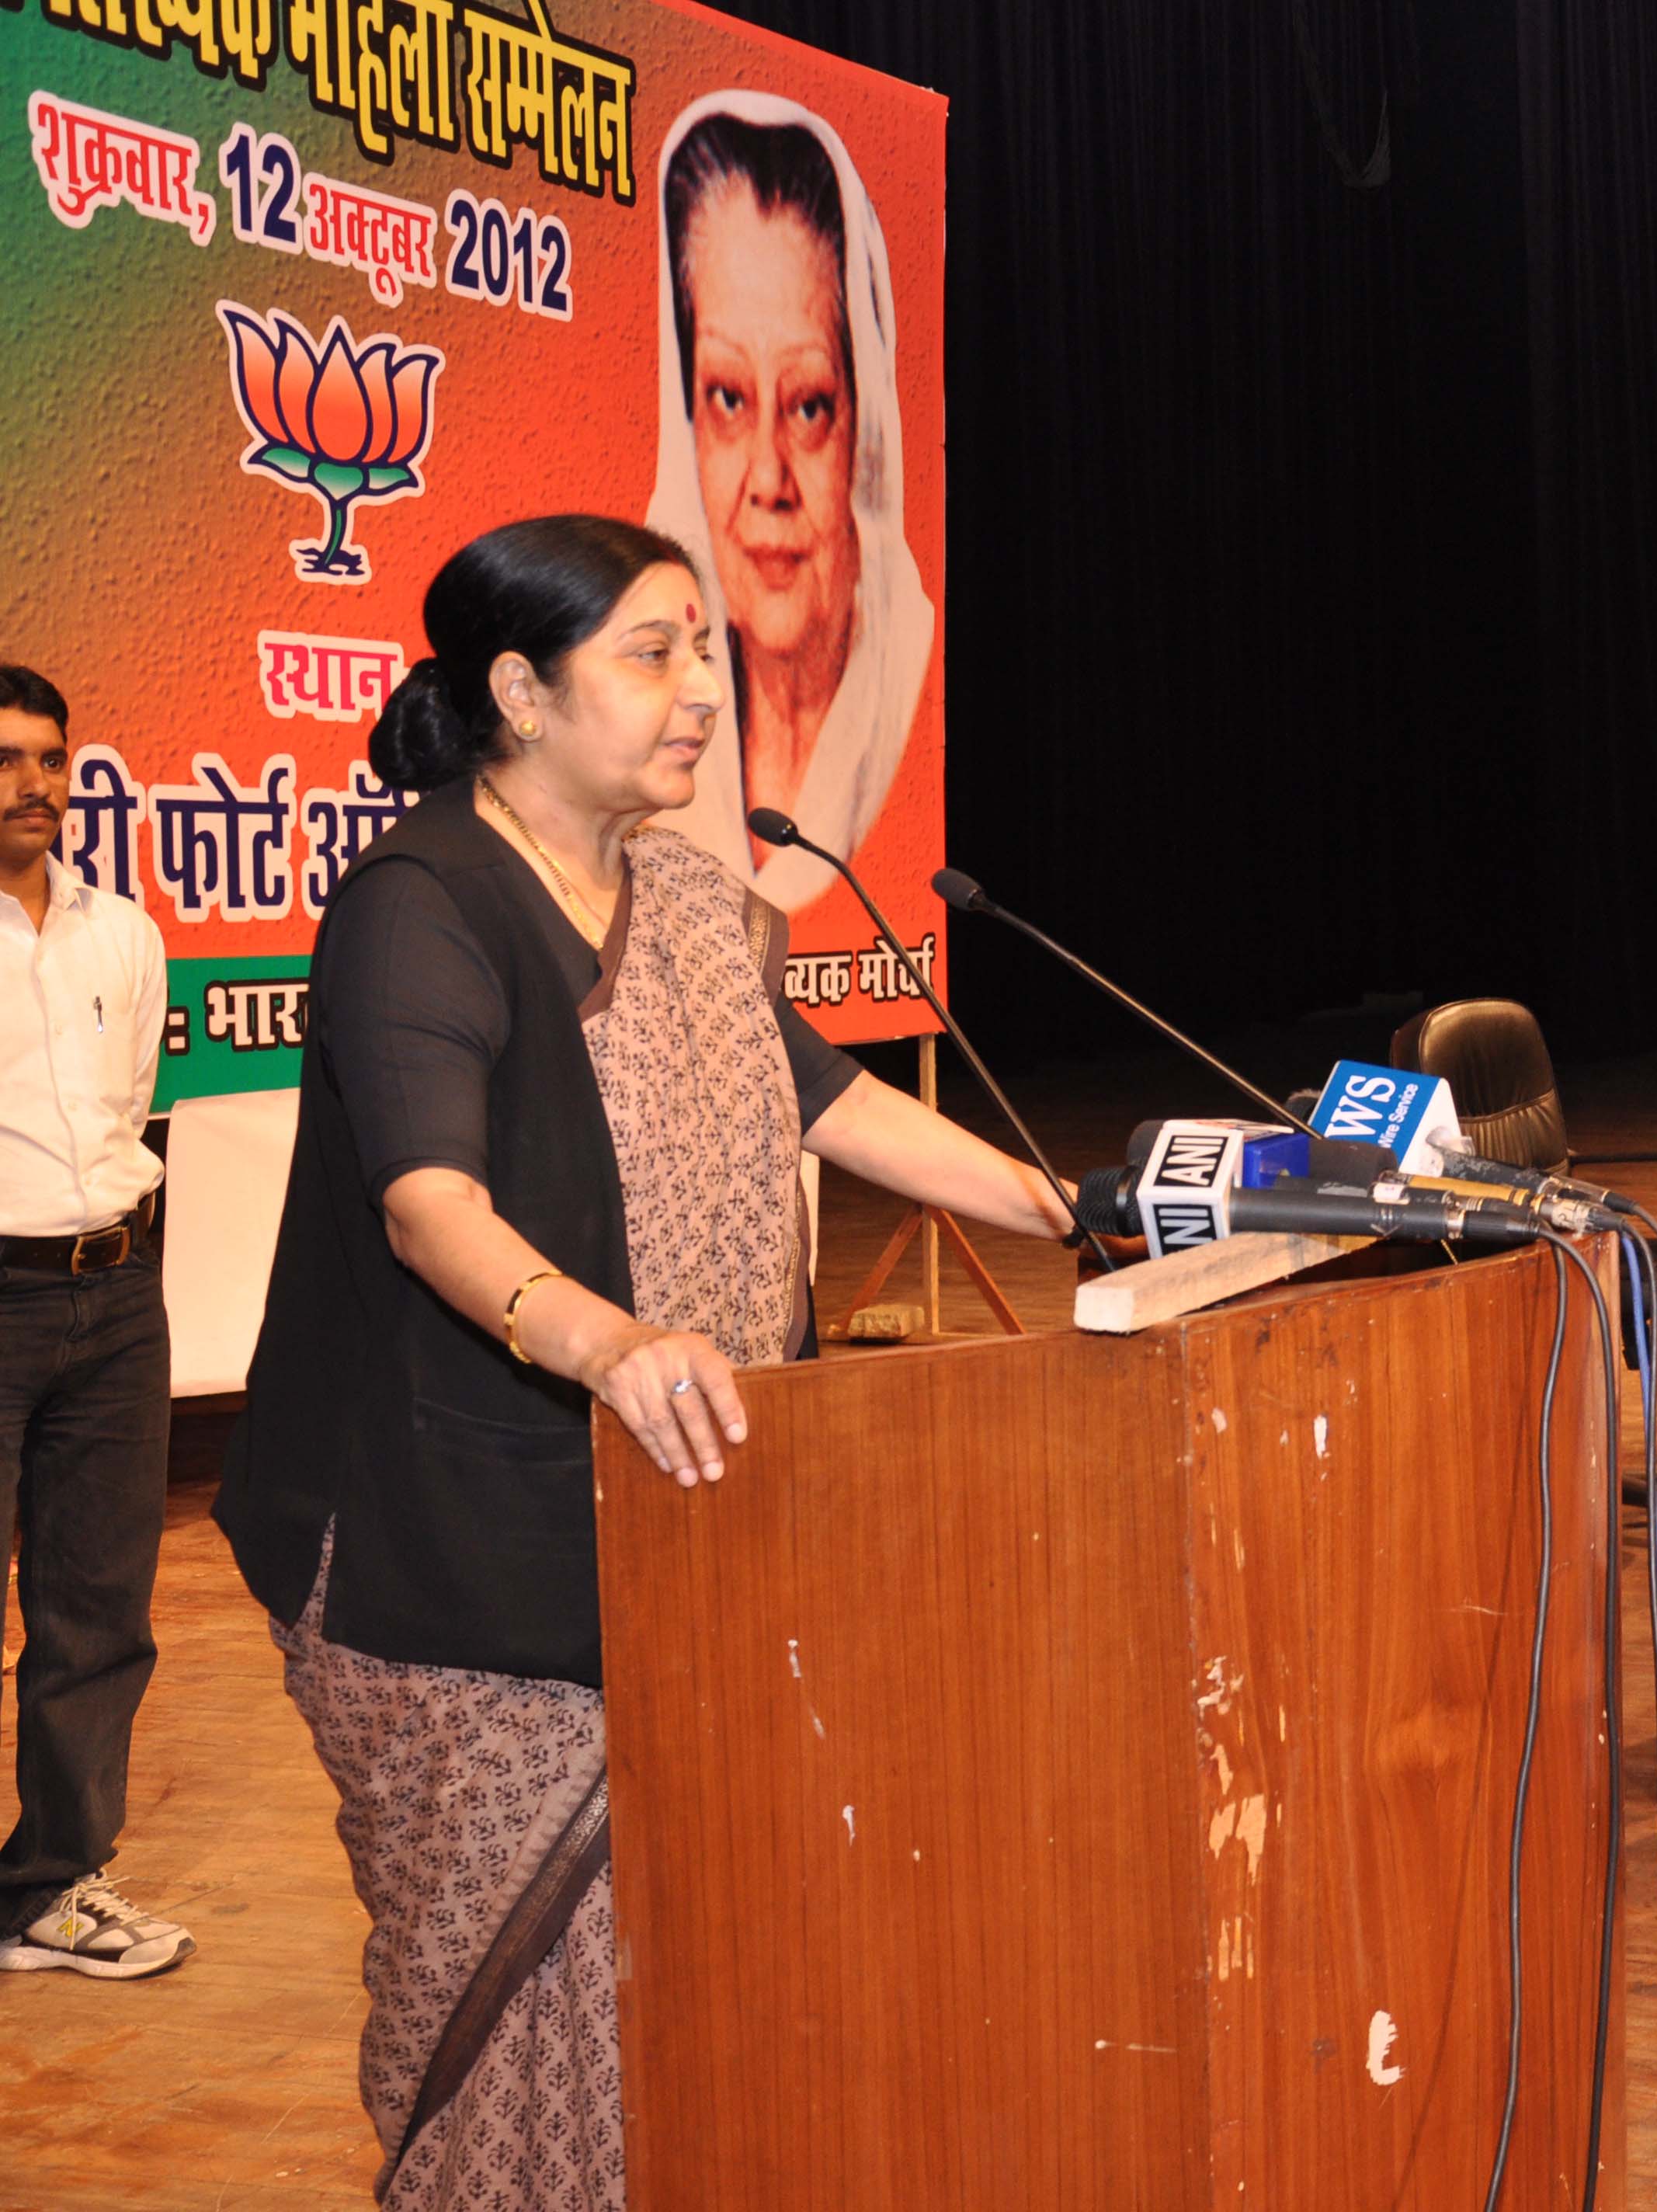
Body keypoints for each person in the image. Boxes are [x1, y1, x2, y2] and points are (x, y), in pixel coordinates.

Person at [212, 516, 1079, 2209]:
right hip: (442, 1545)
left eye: (704, 652)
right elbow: (426, 1204)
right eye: (655, 654)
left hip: (673, 1504)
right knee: (510, 1989)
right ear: (520, 691)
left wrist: (1076, 1202)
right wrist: (609, 1342)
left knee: (683, 1985)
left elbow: (827, 1100)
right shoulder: (422, 901)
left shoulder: (691, 892)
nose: (701, 695)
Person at [0, 664, 191, 1983]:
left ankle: (54, 1886)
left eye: (52, 756)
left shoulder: (122, 927)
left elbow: (127, 1109)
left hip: (116, 1290)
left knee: (98, 1605)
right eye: (7, 757)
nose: (34, 783)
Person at [649, 94, 933, 914]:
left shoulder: (909, 683)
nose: (768, 478)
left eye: (808, 405)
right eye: (729, 400)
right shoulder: (645, 729)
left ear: (865, 433)